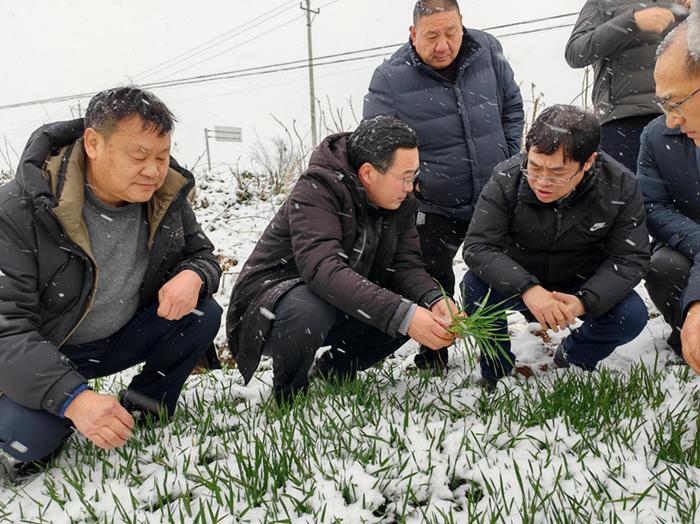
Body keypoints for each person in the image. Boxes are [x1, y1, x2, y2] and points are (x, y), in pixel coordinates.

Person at [0, 87, 222, 482]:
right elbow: (6, 330)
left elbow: (202, 254)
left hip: (119, 338)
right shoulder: (20, 211)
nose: (153, 171)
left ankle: (142, 407)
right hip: (49, 349)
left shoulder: (164, 196)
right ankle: (54, 415)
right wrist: (72, 398)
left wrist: (194, 275)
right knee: (30, 438)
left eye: (162, 156)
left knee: (202, 312)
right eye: (139, 156)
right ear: (93, 143)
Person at [226, 116, 458, 401]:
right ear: (369, 173)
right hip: (269, 307)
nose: (410, 187)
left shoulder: (401, 203)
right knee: (312, 306)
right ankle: (289, 395)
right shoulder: (317, 189)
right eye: (405, 177)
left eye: (414, 176)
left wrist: (433, 299)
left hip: (337, 300)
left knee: (413, 308)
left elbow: (405, 265)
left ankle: (334, 370)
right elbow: (323, 269)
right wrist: (403, 315)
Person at [363, 0, 524, 371]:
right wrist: (414, 178)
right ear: (412, 34)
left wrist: (509, 153)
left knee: (491, 273)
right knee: (432, 276)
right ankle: (434, 351)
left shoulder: (487, 48)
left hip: (492, 194)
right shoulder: (389, 77)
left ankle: (496, 357)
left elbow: (512, 106)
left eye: (451, 33)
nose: (443, 45)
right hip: (433, 202)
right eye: (431, 36)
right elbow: (377, 139)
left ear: (462, 25)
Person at [462, 104, 650, 387]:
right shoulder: (506, 178)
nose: (542, 181)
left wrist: (583, 301)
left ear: (588, 162)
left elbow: (630, 258)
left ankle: (575, 356)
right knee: (473, 287)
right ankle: (496, 366)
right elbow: (478, 246)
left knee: (631, 315)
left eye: (558, 172)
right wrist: (527, 288)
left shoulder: (621, 185)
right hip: (518, 277)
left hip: (581, 280)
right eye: (534, 167)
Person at [565, 0, 691, 172]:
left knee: (688, 195)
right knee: (625, 194)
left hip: (683, 117)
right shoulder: (602, 3)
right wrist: (632, 21)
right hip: (624, 120)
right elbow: (576, 52)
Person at [640, 21, 700, 374]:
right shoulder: (657, 137)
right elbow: (652, 206)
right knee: (663, 265)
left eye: (676, 102)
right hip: (687, 238)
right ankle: (685, 337)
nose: (671, 120)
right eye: (663, 104)